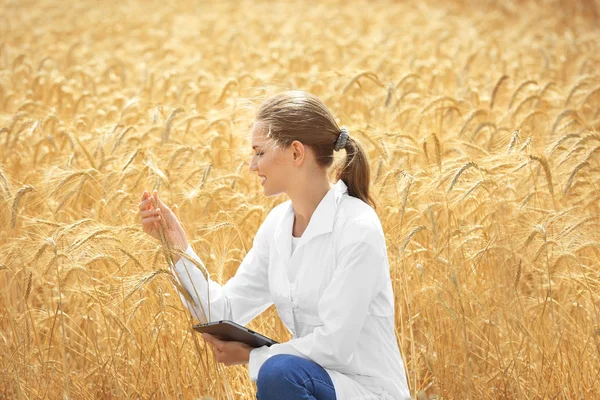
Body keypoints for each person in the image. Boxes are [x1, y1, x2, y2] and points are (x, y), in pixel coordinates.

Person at [138, 91, 411, 400]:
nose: (252, 165)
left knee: (279, 373)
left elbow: (335, 346)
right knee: (279, 372)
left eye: (259, 152)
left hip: (366, 391)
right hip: (312, 384)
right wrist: (177, 246)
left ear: (296, 153)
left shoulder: (358, 227)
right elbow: (224, 311)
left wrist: (252, 356)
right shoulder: (277, 226)